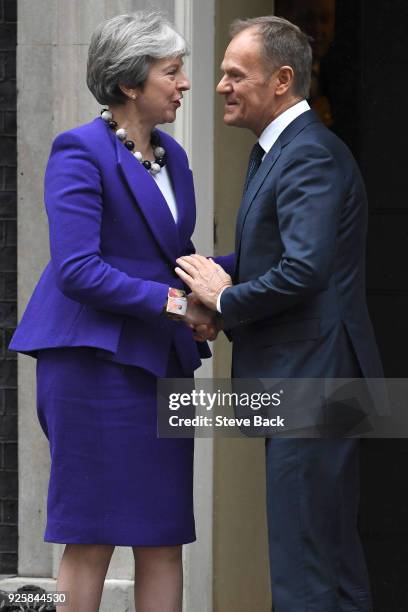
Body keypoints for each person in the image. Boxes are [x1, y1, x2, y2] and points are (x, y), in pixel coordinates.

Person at [9, 11, 226, 612]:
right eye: (173, 71)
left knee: (163, 534)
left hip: (158, 362)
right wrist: (181, 304)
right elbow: (78, 269)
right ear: (131, 82)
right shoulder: (78, 151)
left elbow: (171, 257)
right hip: (92, 366)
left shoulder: (175, 157)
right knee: (93, 532)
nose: (185, 84)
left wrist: (239, 273)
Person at [176, 15, 383, 612]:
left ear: (283, 80)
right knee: (327, 556)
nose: (219, 86)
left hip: (311, 383)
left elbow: (302, 270)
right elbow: (270, 253)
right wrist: (195, 275)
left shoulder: (308, 154)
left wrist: (222, 300)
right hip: (309, 378)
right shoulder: (283, 150)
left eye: (235, 74)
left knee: (305, 564)